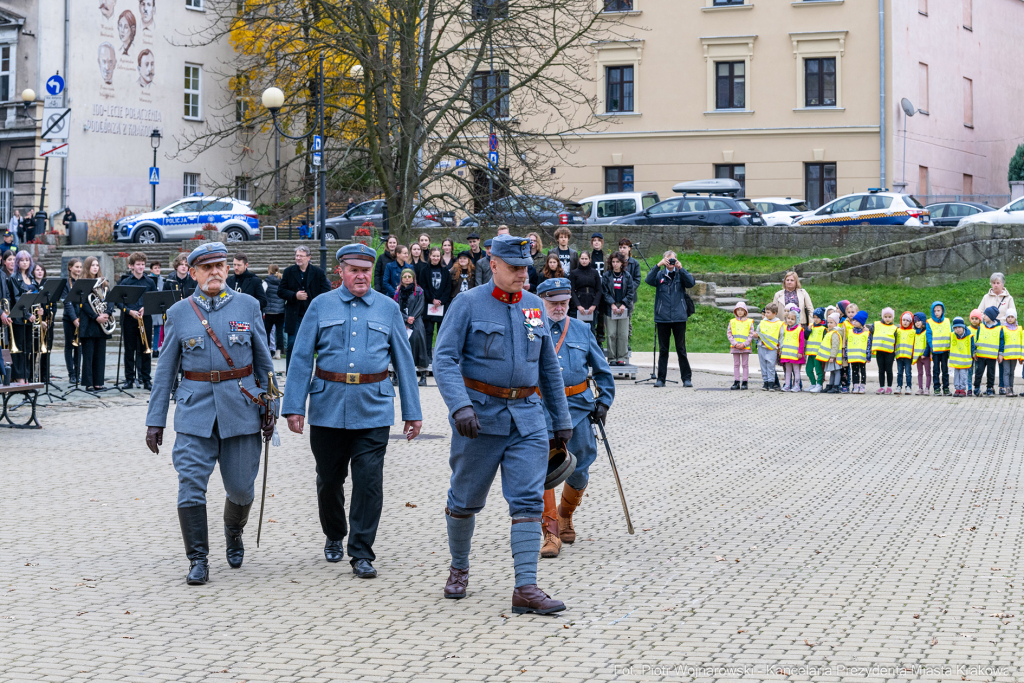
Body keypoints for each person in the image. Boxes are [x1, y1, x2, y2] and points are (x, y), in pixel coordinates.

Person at [432, 234, 572, 614]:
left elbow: (547, 367)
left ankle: (526, 587)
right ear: (493, 265)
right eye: (514, 268)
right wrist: (459, 406)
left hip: (527, 420)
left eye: (526, 268)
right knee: (464, 501)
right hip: (478, 420)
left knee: (527, 501)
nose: (523, 275)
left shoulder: (533, 306)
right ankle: (459, 568)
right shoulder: (467, 304)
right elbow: (443, 359)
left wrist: (561, 419)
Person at [282, 243, 422, 579]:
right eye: (354, 270)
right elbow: (301, 357)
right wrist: (293, 406)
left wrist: (412, 411)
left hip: (373, 408)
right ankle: (334, 532)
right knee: (329, 481)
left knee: (369, 482)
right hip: (328, 407)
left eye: (366, 271)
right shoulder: (321, 305)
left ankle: (361, 552)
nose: (361, 276)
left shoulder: (388, 308)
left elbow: (404, 361)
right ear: (341, 271)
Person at [144, 242, 275, 586]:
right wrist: (155, 420)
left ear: (228, 268)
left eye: (220, 266)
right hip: (194, 412)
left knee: (242, 491)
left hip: (242, 409)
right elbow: (165, 373)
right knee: (189, 486)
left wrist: (271, 406)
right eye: (207, 267)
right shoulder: (179, 313)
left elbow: (264, 362)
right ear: (193, 271)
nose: (214, 272)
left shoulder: (248, 306)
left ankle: (234, 530)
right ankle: (198, 559)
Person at [534, 278, 614, 559]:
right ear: (541, 300)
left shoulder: (581, 329)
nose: (558, 307)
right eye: (552, 302)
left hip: (578, 407)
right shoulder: (532, 328)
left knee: (581, 464)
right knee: (543, 469)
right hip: (541, 407)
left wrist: (604, 400)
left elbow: (602, 370)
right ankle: (551, 531)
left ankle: (566, 514)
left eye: (563, 302)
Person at [646, 251, 696, 388]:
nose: (670, 263)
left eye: (672, 260)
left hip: (679, 317)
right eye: (668, 260)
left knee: (681, 349)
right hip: (663, 318)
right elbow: (648, 280)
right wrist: (658, 265)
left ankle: (686, 378)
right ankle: (661, 379)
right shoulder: (659, 275)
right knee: (663, 350)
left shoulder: (680, 274)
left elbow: (691, 283)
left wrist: (681, 268)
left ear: (676, 260)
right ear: (664, 261)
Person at [278, 245, 331, 372]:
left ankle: (312, 372)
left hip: (312, 314)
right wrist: (294, 295)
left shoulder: (318, 273)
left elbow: (326, 291)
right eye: (296, 255)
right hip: (294, 315)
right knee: (292, 343)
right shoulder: (288, 271)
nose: (298, 258)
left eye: (301, 256)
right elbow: (280, 291)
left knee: (313, 345)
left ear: (309, 257)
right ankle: (290, 372)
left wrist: (314, 301)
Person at [118, 252, 158, 390]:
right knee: (129, 350)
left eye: (142, 264)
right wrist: (129, 311)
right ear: (132, 266)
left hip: (145, 319)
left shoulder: (150, 282)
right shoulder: (126, 282)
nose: (141, 267)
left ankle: (146, 379)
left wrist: (145, 308)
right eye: (138, 264)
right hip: (129, 319)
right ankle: (129, 379)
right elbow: (118, 301)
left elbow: (154, 300)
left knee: (145, 349)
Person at [79, 257, 111, 391]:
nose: (95, 268)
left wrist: (107, 313)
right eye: (92, 265)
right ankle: (89, 383)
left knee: (100, 354)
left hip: (101, 323)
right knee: (88, 354)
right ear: (87, 267)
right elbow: (83, 304)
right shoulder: (83, 284)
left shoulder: (104, 284)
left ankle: (98, 382)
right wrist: (95, 316)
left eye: (97, 265)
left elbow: (110, 300)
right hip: (89, 323)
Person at [395, 268, 430, 385]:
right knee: (400, 346)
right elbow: (396, 307)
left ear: (413, 278)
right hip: (402, 321)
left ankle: (423, 375)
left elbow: (420, 306)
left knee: (419, 344)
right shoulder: (398, 291)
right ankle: (397, 375)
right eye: (404, 277)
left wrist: (412, 317)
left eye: (409, 276)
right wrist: (405, 318)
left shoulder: (419, 290)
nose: (407, 279)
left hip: (416, 321)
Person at [602, 253, 635, 367]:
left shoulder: (627, 276)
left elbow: (630, 292)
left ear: (622, 263)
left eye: (617, 262)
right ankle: (612, 358)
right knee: (611, 333)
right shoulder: (607, 276)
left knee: (622, 333)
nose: (615, 264)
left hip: (623, 307)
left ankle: (621, 357)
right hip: (611, 307)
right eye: (613, 262)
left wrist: (624, 304)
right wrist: (611, 303)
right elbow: (604, 292)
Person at [420, 247, 451, 355]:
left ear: (440, 257)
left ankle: (440, 353)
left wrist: (440, 300)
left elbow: (448, 287)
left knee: (441, 331)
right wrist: (432, 299)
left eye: (438, 256)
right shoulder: (425, 270)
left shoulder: (445, 270)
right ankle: (428, 354)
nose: (435, 258)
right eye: (434, 256)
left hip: (442, 305)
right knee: (428, 330)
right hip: (429, 304)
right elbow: (423, 287)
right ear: (430, 256)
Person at [61, 258, 84, 384]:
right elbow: (67, 303)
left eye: (80, 267)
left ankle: (78, 373)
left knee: (79, 347)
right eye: (76, 267)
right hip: (69, 319)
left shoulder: (82, 282)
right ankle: (72, 374)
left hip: (81, 319)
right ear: (70, 268)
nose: (79, 269)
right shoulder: (65, 283)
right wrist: (74, 319)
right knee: (69, 346)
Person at [974, 306, 1003, 397]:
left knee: (991, 373)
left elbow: (1001, 342)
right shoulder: (981, 327)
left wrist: (1000, 354)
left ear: (991, 316)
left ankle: (989, 389)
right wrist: (975, 352)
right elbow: (977, 340)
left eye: (986, 315)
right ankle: (976, 388)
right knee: (979, 372)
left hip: (991, 356)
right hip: (981, 355)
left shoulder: (999, 329)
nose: (983, 316)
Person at [568, 250, 600, 332]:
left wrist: (594, 305)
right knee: (577, 330)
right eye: (582, 258)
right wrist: (578, 305)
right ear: (579, 259)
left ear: (589, 260)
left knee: (591, 330)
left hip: (591, 304)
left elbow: (599, 290)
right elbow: (571, 290)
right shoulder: (574, 273)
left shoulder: (595, 273)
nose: (584, 261)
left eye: (586, 259)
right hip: (578, 304)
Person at [727, 301, 754, 390]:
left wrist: (744, 344)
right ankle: (736, 381)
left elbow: (751, 334)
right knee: (736, 364)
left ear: (745, 311)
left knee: (745, 364)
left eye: (741, 310)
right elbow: (729, 333)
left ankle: (745, 382)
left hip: (745, 347)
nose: (739, 312)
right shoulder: (732, 322)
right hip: (735, 347)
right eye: (738, 310)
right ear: (735, 311)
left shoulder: (749, 322)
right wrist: (735, 343)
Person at [926, 301, 950, 396]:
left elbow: (951, 333)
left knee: (945, 370)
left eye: (938, 310)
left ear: (942, 311)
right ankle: (936, 388)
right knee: (936, 371)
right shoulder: (930, 322)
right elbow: (928, 336)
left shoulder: (947, 321)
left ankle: (946, 388)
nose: (936, 312)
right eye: (934, 311)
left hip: (944, 350)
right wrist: (932, 345)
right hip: (935, 351)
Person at [757, 303, 782, 391]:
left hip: (772, 348)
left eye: (768, 313)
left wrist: (780, 348)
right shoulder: (762, 322)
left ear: (774, 313)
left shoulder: (779, 323)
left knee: (771, 366)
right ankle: (765, 383)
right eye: (765, 313)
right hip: (761, 346)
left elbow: (781, 337)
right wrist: (755, 335)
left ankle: (771, 383)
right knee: (763, 366)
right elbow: (758, 332)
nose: (766, 314)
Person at [872, 308, 897, 394]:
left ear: (892, 318)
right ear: (882, 316)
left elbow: (896, 341)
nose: (887, 318)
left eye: (889, 317)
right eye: (885, 316)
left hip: (890, 352)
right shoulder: (876, 325)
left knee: (889, 370)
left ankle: (889, 387)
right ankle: (881, 387)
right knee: (881, 370)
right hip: (880, 351)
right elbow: (871, 333)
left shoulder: (894, 328)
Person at [780, 308, 805, 392]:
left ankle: (797, 385)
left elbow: (802, 342)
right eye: (789, 318)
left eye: (792, 319)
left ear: (797, 320)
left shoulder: (799, 329)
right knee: (788, 370)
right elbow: (782, 339)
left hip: (795, 355)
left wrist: (800, 352)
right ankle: (787, 385)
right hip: (786, 354)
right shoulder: (785, 328)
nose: (790, 320)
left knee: (796, 370)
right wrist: (780, 350)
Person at [263, 264, 285, 359]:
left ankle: (267, 350)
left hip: (269, 311)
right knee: (279, 332)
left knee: (267, 331)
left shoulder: (266, 281)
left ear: (269, 271)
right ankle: (278, 353)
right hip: (280, 311)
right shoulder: (282, 280)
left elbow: (262, 292)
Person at [846, 311, 871, 394]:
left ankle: (862, 386)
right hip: (853, 357)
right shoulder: (850, 332)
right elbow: (847, 343)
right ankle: (855, 386)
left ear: (861, 323)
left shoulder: (866, 333)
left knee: (863, 371)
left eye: (856, 321)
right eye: (854, 320)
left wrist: (868, 356)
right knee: (854, 371)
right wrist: (846, 355)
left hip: (862, 357)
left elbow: (868, 345)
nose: (854, 322)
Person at [950, 317, 975, 397]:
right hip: (956, 361)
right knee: (956, 375)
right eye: (955, 328)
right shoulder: (952, 335)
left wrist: (971, 357)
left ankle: (963, 389)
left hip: (965, 361)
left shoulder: (969, 336)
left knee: (963, 375)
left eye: (959, 327)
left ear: (963, 327)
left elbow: (972, 347)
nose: (958, 329)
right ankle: (957, 389)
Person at [894, 312, 918, 395]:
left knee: (908, 373)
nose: (905, 322)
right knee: (899, 372)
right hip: (899, 355)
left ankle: (909, 387)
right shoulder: (898, 330)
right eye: (903, 320)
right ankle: (899, 386)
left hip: (908, 356)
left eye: (907, 320)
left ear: (911, 322)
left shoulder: (913, 332)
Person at [804, 308, 827, 393]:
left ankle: (819, 385)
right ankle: (813, 384)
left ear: (821, 318)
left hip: (818, 353)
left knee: (818, 370)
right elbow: (805, 336)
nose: (815, 319)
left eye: (817, 317)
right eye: (814, 317)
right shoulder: (811, 326)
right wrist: (808, 330)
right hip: (810, 353)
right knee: (808, 369)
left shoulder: (824, 328)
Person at [821, 313, 843, 393]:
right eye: (828, 322)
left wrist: (832, 356)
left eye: (831, 323)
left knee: (836, 371)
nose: (829, 324)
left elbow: (835, 346)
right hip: (831, 356)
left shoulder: (835, 333)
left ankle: (836, 386)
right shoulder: (831, 332)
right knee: (832, 371)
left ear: (836, 323)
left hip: (835, 357)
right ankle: (830, 385)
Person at [149, 261, 165, 356]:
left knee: (158, 329)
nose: (157, 269)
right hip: (149, 306)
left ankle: (155, 349)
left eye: (158, 268)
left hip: (159, 307)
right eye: (155, 268)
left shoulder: (163, 280)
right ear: (151, 270)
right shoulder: (148, 279)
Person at [913, 312, 931, 395]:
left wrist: (925, 354)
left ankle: (927, 388)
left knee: (928, 373)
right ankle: (920, 388)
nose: (917, 323)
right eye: (915, 322)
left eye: (919, 321)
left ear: (923, 321)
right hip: (918, 357)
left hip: (925, 356)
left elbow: (928, 344)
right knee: (920, 373)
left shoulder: (927, 332)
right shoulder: (915, 333)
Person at [1004, 313, 1021, 397]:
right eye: (1008, 317)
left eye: (1012, 317)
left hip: (1014, 355)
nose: (1010, 319)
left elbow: (1020, 343)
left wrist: (1021, 357)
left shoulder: (1019, 329)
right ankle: (1007, 389)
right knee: (1006, 372)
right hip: (1006, 355)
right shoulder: (1003, 328)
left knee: (1012, 372)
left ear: (1015, 318)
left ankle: (1011, 388)